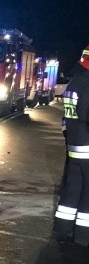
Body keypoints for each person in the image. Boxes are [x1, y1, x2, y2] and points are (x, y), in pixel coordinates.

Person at [54, 45, 89, 245]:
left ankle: (63, 228)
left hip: (74, 147)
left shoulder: (74, 84)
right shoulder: (88, 85)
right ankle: (84, 237)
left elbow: (66, 120)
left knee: (73, 186)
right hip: (87, 147)